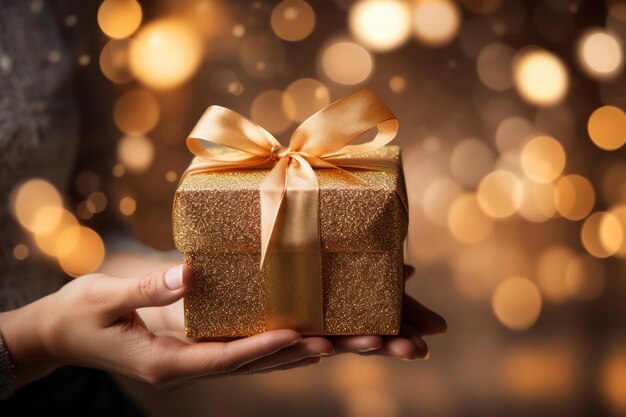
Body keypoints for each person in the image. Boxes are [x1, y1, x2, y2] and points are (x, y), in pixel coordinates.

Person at [0, 0, 446, 413]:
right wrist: (36, 338)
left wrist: (178, 297)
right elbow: (50, 325)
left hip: (76, 389)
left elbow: (85, 230)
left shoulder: (58, 9)